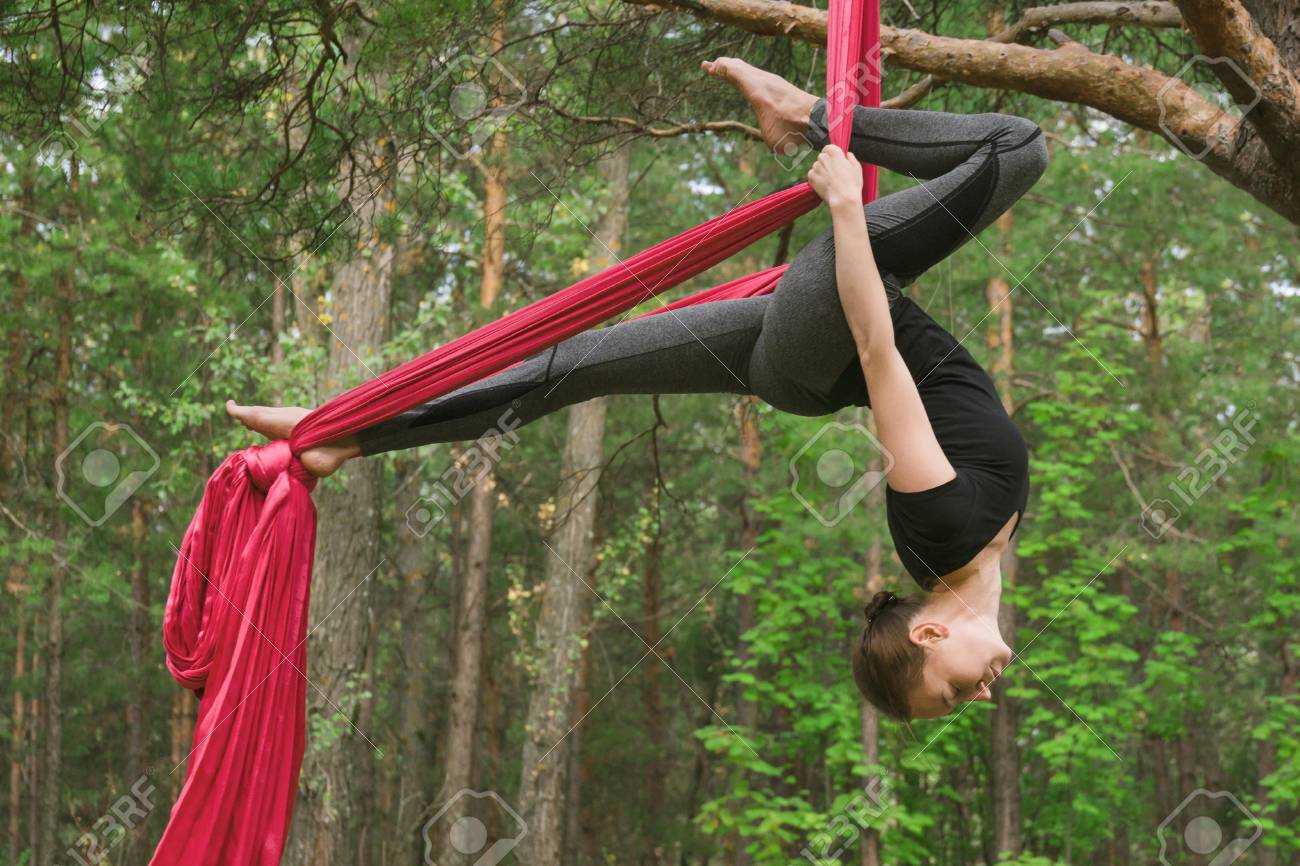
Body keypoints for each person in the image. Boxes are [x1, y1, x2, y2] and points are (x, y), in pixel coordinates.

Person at [228, 58, 1048, 722]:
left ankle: (807, 115)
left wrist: (842, 208)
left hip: (830, 322)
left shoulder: (946, 534)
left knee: (1018, 151)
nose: (980, 694)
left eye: (952, 691)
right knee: (582, 366)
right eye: (961, 699)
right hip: (803, 363)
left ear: (933, 631)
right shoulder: (969, 555)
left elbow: (880, 351)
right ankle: (345, 435)